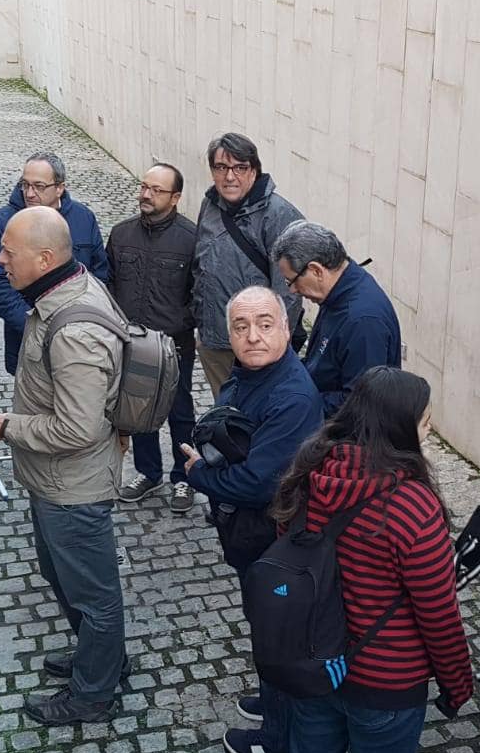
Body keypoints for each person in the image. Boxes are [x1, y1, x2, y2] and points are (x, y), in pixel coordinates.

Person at [273, 367, 474, 753]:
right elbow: (438, 613)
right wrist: (457, 684)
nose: (429, 431)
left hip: (315, 667)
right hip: (386, 684)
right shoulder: (413, 505)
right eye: (424, 423)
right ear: (401, 428)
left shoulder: (308, 475)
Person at [0, 205, 128, 726]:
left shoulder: (73, 330)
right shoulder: (63, 291)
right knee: (64, 578)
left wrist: (8, 427)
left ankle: (94, 694)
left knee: (92, 593)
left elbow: (77, 429)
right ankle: (98, 659)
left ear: (44, 258)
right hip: (55, 483)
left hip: (73, 488)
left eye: (8, 253)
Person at [181, 286, 324, 753]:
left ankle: (279, 742)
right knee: (265, 627)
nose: (253, 336)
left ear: (286, 329)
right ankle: (273, 699)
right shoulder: (247, 376)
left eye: (266, 324)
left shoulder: (291, 396)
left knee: (277, 636)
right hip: (254, 539)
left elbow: (257, 482)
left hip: (278, 543)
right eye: (241, 326)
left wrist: (199, 472)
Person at [104, 163, 198, 512]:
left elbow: (200, 293)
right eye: (144, 186)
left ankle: (185, 476)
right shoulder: (121, 233)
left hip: (175, 346)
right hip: (130, 344)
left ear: (175, 197)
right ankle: (148, 472)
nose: (146, 194)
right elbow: (108, 284)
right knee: (136, 407)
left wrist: (178, 322)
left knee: (180, 411)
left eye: (156, 190)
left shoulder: (192, 238)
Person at [191, 133, 306, 398]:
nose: (230, 177)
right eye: (221, 167)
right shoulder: (210, 205)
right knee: (227, 413)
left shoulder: (278, 214)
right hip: (215, 341)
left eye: (239, 167)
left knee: (258, 414)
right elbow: (200, 264)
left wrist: (270, 342)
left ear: (253, 171)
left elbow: (289, 289)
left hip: (256, 345)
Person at [0, 152, 111, 374]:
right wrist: (36, 327)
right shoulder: (1, 223)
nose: (29, 193)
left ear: (59, 188)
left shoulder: (84, 217)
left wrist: (80, 322)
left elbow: (100, 274)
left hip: (80, 339)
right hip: (27, 343)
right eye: (25, 184)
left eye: (39, 186)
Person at [272, 221, 401, 415]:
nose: (292, 290)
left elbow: (359, 403)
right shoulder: (337, 291)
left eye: (292, 281)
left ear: (316, 270)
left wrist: (297, 404)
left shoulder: (363, 321)